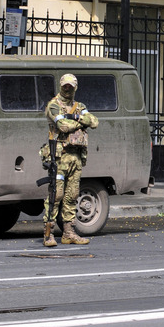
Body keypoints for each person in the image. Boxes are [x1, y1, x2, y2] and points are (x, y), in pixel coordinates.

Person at [40, 74, 99, 246]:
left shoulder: (79, 106)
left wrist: (75, 118)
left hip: (76, 157)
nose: (68, 88)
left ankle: (68, 233)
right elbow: (63, 126)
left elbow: (94, 122)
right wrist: (82, 121)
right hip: (59, 158)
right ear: (60, 85)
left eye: (71, 86)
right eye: (65, 85)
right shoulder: (53, 105)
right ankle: (48, 233)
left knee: (72, 196)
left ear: (76, 87)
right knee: (55, 195)